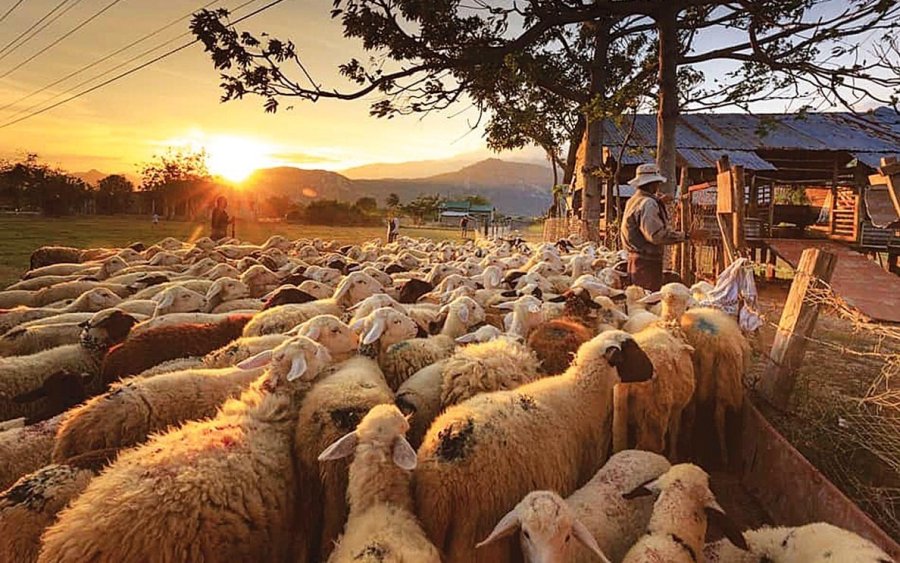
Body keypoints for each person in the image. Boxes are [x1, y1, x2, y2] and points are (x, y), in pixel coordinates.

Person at [620, 163, 687, 292]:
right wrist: (685, 236)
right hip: (647, 263)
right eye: (656, 183)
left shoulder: (634, 200)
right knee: (648, 301)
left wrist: (659, 201)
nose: (658, 187)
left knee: (638, 300)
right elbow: (655, 236)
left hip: (635, 260)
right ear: (651, 184)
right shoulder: (648, 203)